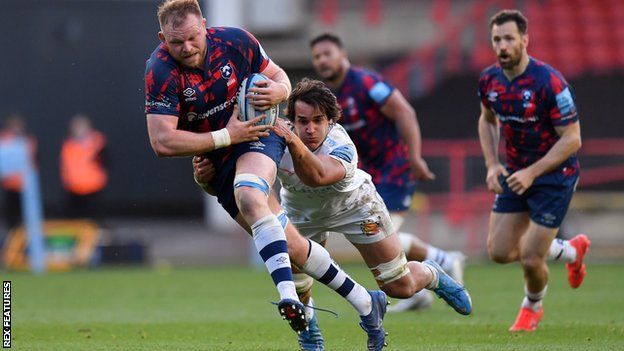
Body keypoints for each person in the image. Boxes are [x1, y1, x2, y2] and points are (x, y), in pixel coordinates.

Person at [145, 1, 388, 347]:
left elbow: (278, 77)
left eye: (192, 38)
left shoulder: (236, 42)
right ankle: (366, 301)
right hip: (219, 158)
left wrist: (282, 91)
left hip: (259, 135)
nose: (186, 48)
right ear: (162, 38)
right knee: (289, 247)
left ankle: (288, 297)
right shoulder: (160, 70)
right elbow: (161, 140)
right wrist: (225, 139)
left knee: (249, 194)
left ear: (205, 26)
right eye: (175, 42)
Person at [194, 79, 472, 351]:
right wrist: (206, 178)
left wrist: (292, 141)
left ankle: (432, 274)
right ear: (292, 119)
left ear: (331, 121)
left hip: (356, 207)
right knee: (300, 284)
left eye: (318, 120)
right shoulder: (276, 137)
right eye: (302, 121)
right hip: (302, 212)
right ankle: (310, 336)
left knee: (399, 286)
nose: (310, 128)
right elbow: (240, 181)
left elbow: (318, 175)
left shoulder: (341, 145)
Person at [309, 33, 466, 312]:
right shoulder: (327, 97)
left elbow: (404, 112)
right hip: (364, 177)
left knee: (380, 233)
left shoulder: (367, 83)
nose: (322, 60)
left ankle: (440, 260)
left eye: (327, 53)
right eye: (317, 56)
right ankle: (421, 289)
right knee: (376, 233)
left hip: (394, 169)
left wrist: (415, 157)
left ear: (342, 55)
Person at [477, 9, 590, 332]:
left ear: (525, 40)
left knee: (530, 258)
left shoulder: (550, 82)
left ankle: (532, 307)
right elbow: (486, 120)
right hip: (516, 171)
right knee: (498, 252)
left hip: (556, 176)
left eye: (509, 38)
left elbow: (572, 139)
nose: (503, 46)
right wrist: (491, 164)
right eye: (497, 39)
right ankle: (571, 251)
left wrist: (533, 172)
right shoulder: (489, 80)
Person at [60, 114, 108, 219]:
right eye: (76, 127)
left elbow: (106, 161)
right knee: (74, 220)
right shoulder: (68, 145)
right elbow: (65, 166)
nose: (79, 130)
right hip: (74, 189)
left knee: (94, 219)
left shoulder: (98, 142)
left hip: (93, 188)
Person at [0, 114, 36, 234]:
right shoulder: (4, 140)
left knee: (26, 213)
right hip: (9, 183)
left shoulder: (28, 140)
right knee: (11, 214)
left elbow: (31, 160)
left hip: (25, 184)